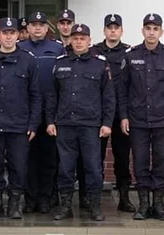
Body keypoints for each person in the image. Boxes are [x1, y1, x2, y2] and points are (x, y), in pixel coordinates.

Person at [117, 13, 164, 221]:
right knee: (139, 162)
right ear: (142, 31)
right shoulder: (131, 56)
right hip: (137, 119)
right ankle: (143, 205)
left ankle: (158, 205)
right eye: (148, 28)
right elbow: (122, 90)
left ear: (161, 32)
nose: (151, 32)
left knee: (161, 161)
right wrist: (123, 116)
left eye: (155, 29)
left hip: (163, 119)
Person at [46, 23, 115, 222]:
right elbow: (52, 96)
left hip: (91, 125)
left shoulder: (100, 63)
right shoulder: (60, 63)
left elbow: (109, 97)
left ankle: (94, 206)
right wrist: (51, 121)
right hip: (65, 124)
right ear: (71, 40)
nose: (78, 41)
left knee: (93, 167)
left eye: (82, 38)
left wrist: (107, 123)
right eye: (75, 38)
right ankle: (65, 206)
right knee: (66, 168)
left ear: (89, 41)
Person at [0, 17, 41, 220]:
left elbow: (36, 95)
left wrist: (33, 124)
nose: (8, 36)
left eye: (12, 33)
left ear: (17, 35)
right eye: (4, 33)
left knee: (19, 166)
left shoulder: (28, 59)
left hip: (19, 125)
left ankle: (15, 204)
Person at [81, 14, 135, 212]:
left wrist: (125, 115)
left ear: (121, 31)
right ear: (103, 30)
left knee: (122, 157)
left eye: (116, 27)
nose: (113, 31)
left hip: (121, 114)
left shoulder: (129, 53)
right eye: (109, 27)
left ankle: (124, 197)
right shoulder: (93, 51)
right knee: (95, 158)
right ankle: (92, 198)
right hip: (97, 113)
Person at [19, 11, 64, 213]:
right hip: (24, 112)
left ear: (47, 29)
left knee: (48, 159)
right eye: (33, 24)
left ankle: (46, 198)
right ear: (27, 28)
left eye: (41, 25)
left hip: (50, 112)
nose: (37, 28)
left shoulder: (57, 49)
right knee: (27, 159)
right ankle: (30, 199)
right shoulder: (19, 48)